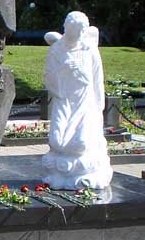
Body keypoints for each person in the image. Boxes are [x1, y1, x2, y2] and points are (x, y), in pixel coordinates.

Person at [42, 11, 112, 189]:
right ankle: (63, 172)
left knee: (80, 144)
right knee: (57, 142)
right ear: (67, 29)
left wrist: (98, 107)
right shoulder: (57, 50)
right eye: (76, 31)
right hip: (64, 101)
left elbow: (95, 79)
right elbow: (49, 79)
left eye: (82, 32)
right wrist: (64, 69)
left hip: (84, 104)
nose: (80, 36)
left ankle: (83, 172)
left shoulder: (89, 49)